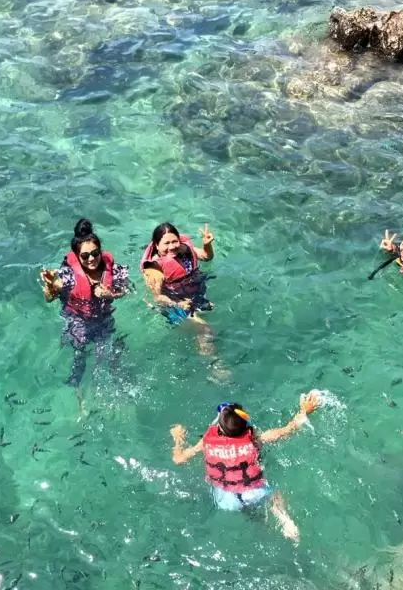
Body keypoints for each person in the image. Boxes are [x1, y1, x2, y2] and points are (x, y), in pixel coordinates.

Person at [169, 392, 320, 543]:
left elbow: (178, 459)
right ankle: (285, 521)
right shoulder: (255, 440)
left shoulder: (206, 442)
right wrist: (305, 410)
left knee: (248, 512)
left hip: (225, 500)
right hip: (254, 493)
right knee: (275, 496)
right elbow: (288, 429)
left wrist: (178, 437)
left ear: (219, 429)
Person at [39, 219, 128, 411]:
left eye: (95, 253)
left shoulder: (114, 269)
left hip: (103, 319)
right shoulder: (67, 275)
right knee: (80, 357)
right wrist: (49, 285)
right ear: (77, 257)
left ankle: (114, 395)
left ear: (100, 251)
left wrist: (110, 294)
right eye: (85, 255)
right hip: (77, 320)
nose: (91, 259)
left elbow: (127, 290)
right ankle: (79, 399)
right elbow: (49, 298)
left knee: (110, 355)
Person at [141, 222, 224, 374]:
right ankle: (214, 369)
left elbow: (206, 257)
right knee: (204, 331)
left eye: (174, 241)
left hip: (191, 297)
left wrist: (206, 245)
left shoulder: (183, 250)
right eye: (166, 243)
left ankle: (206, 362)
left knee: (205, 329)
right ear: (156, 245)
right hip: (172, 306)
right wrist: (177, 303)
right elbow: (157, 298)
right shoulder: (154, 270)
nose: (172, 246)